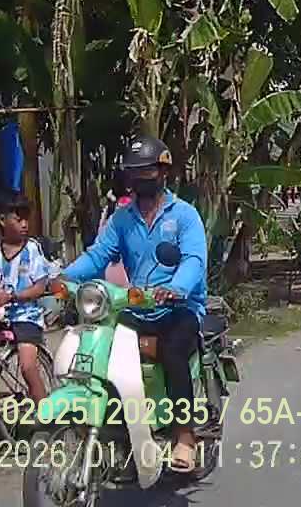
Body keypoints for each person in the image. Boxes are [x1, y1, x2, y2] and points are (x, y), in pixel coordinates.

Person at [63, 135, 208, 472]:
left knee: (173, 352)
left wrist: (176, 287)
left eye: (147, 171)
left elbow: (194, 260)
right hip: (137, 306)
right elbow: (97, 256)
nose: (141, 178)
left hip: (178, 308)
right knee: (103, 349)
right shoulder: (122, 220)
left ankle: (184, 436)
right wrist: (62, 278)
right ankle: (120, 429)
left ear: (163, 172)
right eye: (134, 172)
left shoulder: (184, 216)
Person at [0, 193, 51, 403]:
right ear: (2, 221)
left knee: (28, 367)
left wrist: (12, 296)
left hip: (27, 316)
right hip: (0, 316)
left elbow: (40, 287)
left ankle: (47, 412)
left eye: (26, 219)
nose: (24, 224)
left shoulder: (32, 249)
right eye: (18, 219)